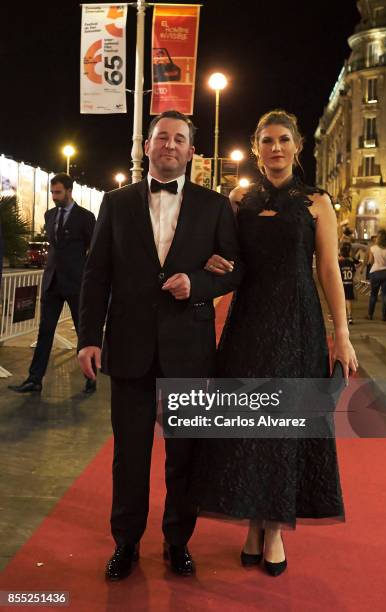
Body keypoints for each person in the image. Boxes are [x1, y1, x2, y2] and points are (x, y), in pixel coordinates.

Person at [191, 109, 358, 577]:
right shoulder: (238, 197)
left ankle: (275, 530)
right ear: (257, 147)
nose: (276, 148)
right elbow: (227, 257)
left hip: (299, 323)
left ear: (298, 147)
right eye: (267, 140)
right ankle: (252, 524)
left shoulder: (319, 201)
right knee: (249, 425)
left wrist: (340, 335)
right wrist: (213, 264)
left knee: (283, 426)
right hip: (248, 322)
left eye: (284, 139)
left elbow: (328, 270)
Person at [77, 110, 242, 580]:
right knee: (129, 455)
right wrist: (89, 338)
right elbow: (96, 276)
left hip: (189, 349)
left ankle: (177, 541)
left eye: (179, 139)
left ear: (192, 151)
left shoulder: (214, 207)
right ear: (145, 147)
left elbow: (234, 270)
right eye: (161, 137)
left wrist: (198, 284)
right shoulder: (116, 202)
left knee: (184, 454)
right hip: (127, 349)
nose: (169, 145)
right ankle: (125, 543)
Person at [9, 173, 96, 394]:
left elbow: (93, 251)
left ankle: (91, 377)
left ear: (69, 190)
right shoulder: (49, 215)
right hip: (52, 284)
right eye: (52, 192)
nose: (54, 197)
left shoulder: (85, 217)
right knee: (44, 332)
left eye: (58, 192)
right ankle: (34, 379)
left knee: (83, 332)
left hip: (76, 285)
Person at [367, 228, 386, 321]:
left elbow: (370, 261)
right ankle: (384, 316)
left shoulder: (373, 248)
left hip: (375, 273)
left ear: (378, 238)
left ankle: (370, 314)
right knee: (385, 295)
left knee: (373, 294)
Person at [339, 242, 359, 325]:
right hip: (349, 283)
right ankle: (350, 317)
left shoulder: (339, 263)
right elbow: (353, 272)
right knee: (349, 300)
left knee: (340, 300)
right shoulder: (351, 262)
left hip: (341, 284)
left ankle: (341, 317)